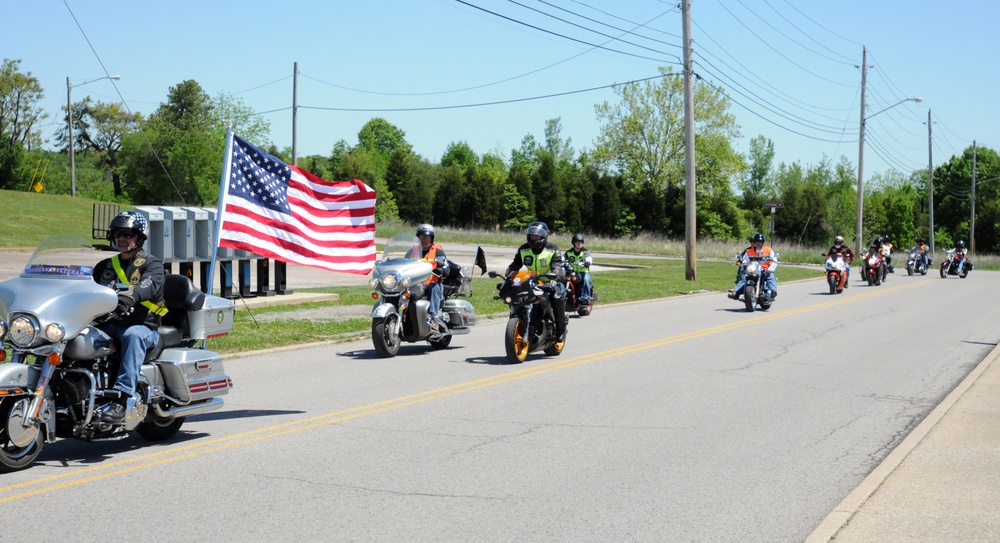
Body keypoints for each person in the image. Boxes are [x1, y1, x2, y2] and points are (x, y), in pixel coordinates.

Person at [92, 211, 166, 423]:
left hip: (144, 327)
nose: (122, 239)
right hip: (108, 324)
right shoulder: (104, 266)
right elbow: (87, 289)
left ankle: (121, 399)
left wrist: (129, 299)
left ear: (139, 237)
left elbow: (147, 286)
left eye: (128, 234)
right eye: (117, 234)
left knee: (133, 335)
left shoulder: (152, 265)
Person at [505, 221, 567, 342]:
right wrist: (508, 278)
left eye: (537, 236)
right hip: (532, 281)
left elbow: (557, 268)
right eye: (532, 235)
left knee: (557, 297)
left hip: (551, 281)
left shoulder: (553, 249)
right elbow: (514, 266)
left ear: (543, 237)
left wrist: (553, 280)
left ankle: (561, 330)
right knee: (517, 297)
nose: (534, 238)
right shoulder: (523, 249)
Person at [416, 223, 450, 331]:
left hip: (433, 283)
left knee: (433, 286)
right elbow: (404, 263)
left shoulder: (437, 251)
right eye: (421, 237)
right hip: (416, 284)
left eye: (426, 237)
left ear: (432, 238)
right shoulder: (413, 251)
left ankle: (434, 317)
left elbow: (446, 266)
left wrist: (443, 269)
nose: (423, 239)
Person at [727, 232, 778, 300]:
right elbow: (745, 261)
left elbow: (775, 260)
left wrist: (770, 270)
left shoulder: (768, 250)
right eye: (756, 241)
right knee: (744, 278)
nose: (758, 243)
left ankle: (773, 291)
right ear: (754, 242)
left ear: (762, 242)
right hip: (753, 270)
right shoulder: (749, 251)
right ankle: (735, 292)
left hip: (766, 269)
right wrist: (741, 263)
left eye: (760, 241)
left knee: (770, 277)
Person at [564, 233, 594, 301]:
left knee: (586, 280)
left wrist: (588, 262)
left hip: (584, 272)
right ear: (573, 243)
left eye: (581, 242)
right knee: (563, 279)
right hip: (572, 272)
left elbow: (589, 258)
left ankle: (585, 297)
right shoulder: (569, 252)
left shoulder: (585, 252)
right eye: (577, 242)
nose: (579, 244)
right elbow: (562, 258)